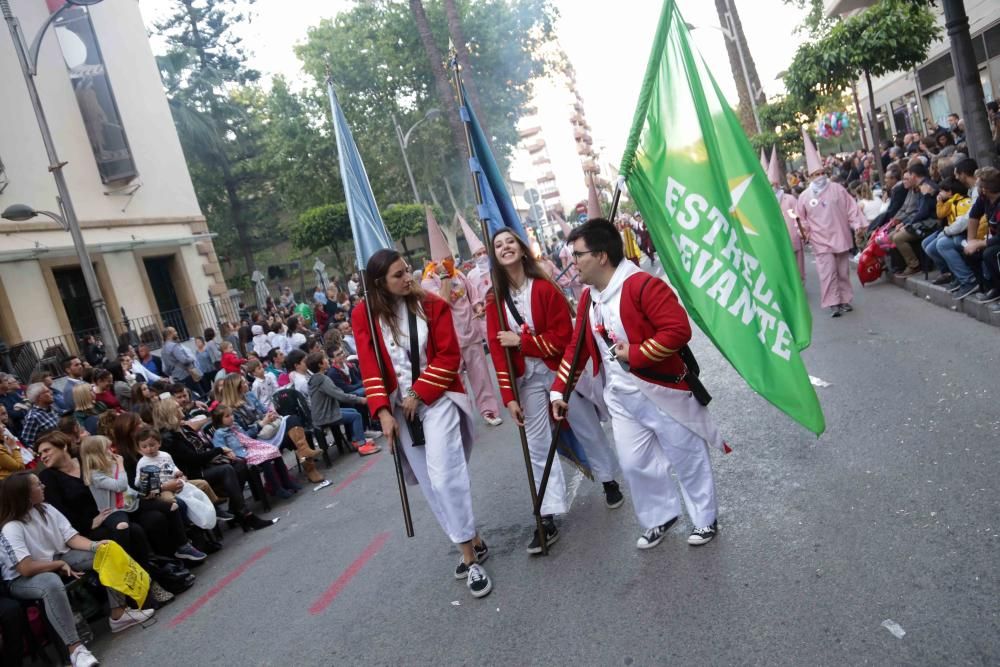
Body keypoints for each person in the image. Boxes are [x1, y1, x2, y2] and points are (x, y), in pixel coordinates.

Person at [553, 218, 726, 549]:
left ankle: (705, 519)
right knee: (634, 464)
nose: (573, 263)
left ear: (601, 256)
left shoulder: (643, 284)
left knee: (687, 457)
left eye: (578, 255)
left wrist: (636, 352)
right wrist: (559, 390)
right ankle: (660, 516)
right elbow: (576, 347)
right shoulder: (589, 297)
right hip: (620, 397)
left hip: (661, 390)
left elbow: (677, 330)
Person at [352, 248, 492, 598]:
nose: (407, 278)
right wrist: (384, 412)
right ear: (379, 284)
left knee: (446, 477)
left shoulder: (432, 305)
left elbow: (449, 356)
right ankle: (471, 538)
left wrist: (419, 392)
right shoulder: (363, 315)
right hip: (400, 411)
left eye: (407, 271)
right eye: (398, 275)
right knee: (431, 485)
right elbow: (369, 365)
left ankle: (469, 559)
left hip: (439, 398)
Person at [485, 228, 624, 553]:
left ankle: (608, 479)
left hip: (560, 371)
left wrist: (524, 341)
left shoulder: (545, 288)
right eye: (498, 245)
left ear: (521, 250)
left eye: (509, 243)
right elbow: (497, 350)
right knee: (536, 444)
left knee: (587, 427)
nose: (504, 248)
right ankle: (547, 515)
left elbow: (564, 338)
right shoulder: (494, 300)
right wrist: (508, 397)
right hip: (529, 381)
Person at [0, 473, 155, 667]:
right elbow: (26, 568)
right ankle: (75, 650)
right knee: (50, 582)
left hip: (57, 558)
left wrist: (95, 545)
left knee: (105, 552)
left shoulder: (46, 509)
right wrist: (57, 565)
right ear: (24, 494)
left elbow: (71, 538)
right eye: (38, 484)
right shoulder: (11, 528)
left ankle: (118, 614)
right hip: (22, 579)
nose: (43, 486)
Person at [421, 211, 503, 427]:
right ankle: (462, 418)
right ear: (434, 262)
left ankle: (489, 411)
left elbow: (473, 295)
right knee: (457, 382)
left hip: (471, 334)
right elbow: (441, 303)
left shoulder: (460, 275)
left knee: (481, 377)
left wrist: (477, 306)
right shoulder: (428, 284)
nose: (447, 263)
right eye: (443, 261)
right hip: (449, 342)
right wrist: (445, 278)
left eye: (449, 260)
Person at [152, 398, 277, 530]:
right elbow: (193, 459)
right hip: (192, 473)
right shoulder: (169, 438)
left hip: (205, 465)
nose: (181, 408)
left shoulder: (185, 428)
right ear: (170, 413)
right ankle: (246, 515)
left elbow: (205, 445)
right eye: (177, 408)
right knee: (227, 470)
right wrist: (220, 450)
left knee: (239, 464)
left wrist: (220, 453)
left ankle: (236, 511)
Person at [79, 435, 207, 562]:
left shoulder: (112, 463)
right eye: (108, 448)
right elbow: (121, 486)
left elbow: (130, 490)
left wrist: (146, 494)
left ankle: (183, 545)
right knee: (122, 526)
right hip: (115, 510)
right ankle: (128, 563)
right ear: (97, 454)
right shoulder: (95, 475)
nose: (112, 451)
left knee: (172, 506)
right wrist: (120, 465)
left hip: (133, 502)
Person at [795, 131, 867, 317]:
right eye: (815, 174)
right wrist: (805, 233)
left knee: (842, 271)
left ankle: (844, 299)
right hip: (821, 240)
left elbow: (851, 207)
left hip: (840, 236)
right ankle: (832, 303)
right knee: (828, 273)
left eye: (821, 173)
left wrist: (857, 224)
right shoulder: (804, 197)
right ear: (809, 177)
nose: (819, 176)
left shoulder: (837, 189)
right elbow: (800, 218)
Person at [211, 405, 299, 499]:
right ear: (219, 420)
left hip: (249, 449)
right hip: (240, 456)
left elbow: (246, 436)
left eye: (231, 414)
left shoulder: (235, 426)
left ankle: (287, 481)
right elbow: (219, 447)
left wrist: (258, 427)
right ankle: (276, 488)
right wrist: (227, 452)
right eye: (227, 416)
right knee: (265, 458)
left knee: (273, 450)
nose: (231, 417)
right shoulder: (220, 433)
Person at [306, 352, 379, 456]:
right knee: (356, 416)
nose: (328, 360)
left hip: (323, 413)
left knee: (353, 411)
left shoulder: (315, 379)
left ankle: (356, 440)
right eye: (325, 359)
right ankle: (363, 446)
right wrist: (360, 400)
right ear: (320, 364)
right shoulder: (323, 379)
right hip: (325, 415)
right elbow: (340, 395)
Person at [767, 149, 805, 283]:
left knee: (797, 263)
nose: (772, 187)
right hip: (777, 239)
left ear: (777, 184)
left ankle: (800, 283)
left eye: (773, 184)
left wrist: (801, 232)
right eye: (770, 185)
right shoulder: (765, 202)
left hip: (792, 236)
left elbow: (796, 217)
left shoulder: (789, 199)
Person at [19, 383, 60, 451]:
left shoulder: (52, 407)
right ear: (39, 397)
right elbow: (27, 442)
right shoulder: (33, 417)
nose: (51, 392)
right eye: (47, 391)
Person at [162, 327, 200, 393]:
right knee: (199, 394)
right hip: (186, 374)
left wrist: (172, 373)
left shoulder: (163, 350)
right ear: (169, 334)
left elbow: (166, 368)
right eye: (174, 331)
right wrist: (191, 359)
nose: (176, 333)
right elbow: (184, 360)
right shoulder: (174, 346)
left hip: (176, 377)